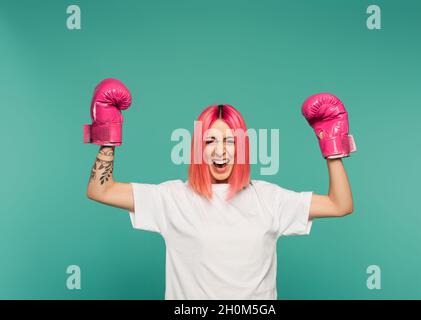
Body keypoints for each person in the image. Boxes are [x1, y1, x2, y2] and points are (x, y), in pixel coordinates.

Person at [85, 78, 356, 300]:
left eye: (230, 141)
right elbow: (102, 190)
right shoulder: (172, 198)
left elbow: (339, 204)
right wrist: (107, 134)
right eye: (210, 140)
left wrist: (333, 147)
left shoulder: (269, 198)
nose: (220, 150)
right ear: (197, 149)